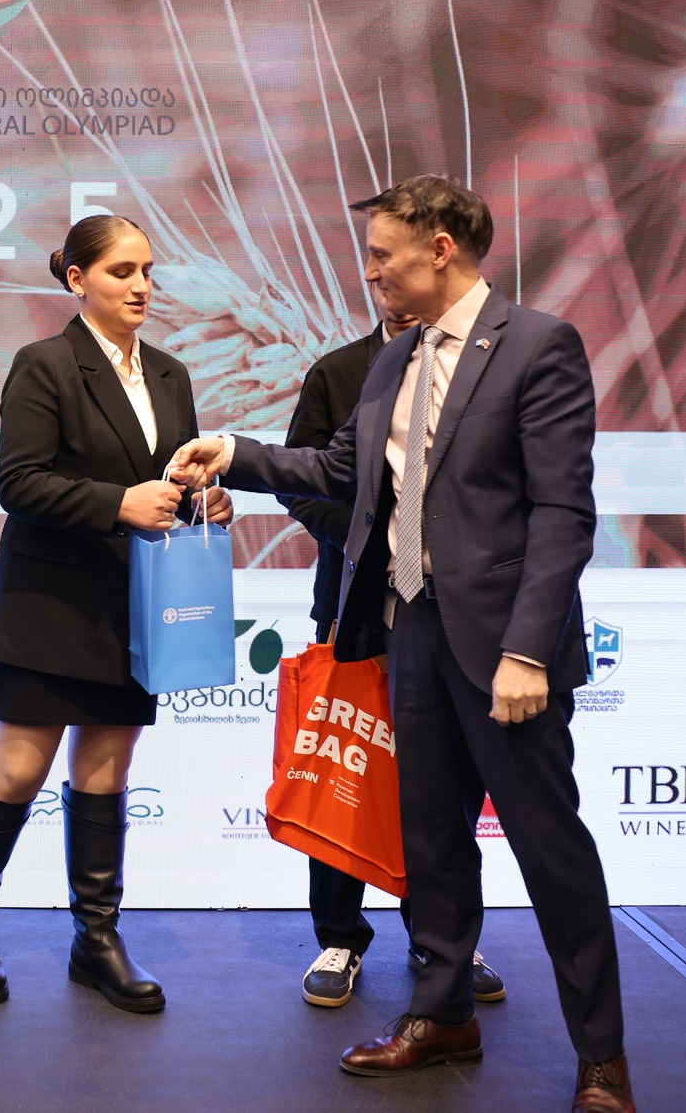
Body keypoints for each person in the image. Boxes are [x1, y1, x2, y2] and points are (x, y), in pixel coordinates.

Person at [170, 176, 635, 1113]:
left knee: (551, 849)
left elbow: (562, 514)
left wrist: (528, 651)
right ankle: (441, 1013)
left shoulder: (539, 345)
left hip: (505, 650)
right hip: (407, 628)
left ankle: (603, 1059)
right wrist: (235, 452)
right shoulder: (393, 359)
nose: (370, 269)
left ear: (441, 247)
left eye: (383, 252)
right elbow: (338, 467)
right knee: (429, 841)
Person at [0, 214, 232, 1014]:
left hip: (131, 607)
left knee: (106, 774)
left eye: (148, 270)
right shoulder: (44, 364)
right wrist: (118, 503)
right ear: (76, 279)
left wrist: (204, 503)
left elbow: (171, 482)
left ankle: (96, 940)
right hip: (47, 605)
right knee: (17, 771)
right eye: (120, 271)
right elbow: (18, 482)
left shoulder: (171, 373)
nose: (141, 286)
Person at [281, 310, 507, 1012]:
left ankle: (443, 936)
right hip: (353, 608)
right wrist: (367, 537)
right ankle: (339, 938)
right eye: (381, 266)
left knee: (446, 782)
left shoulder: (482, 368)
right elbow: (298, 480)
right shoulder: (339, 372)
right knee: (341, 769)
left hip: (452, 616)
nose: (396, 283)